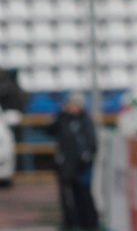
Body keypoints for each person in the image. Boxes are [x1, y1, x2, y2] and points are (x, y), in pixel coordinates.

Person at [46, 92, 99, 231]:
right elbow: (49, 130)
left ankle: (89, 223)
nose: (72, 107)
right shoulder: (63, 120)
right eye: (70, 104)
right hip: (65, 165)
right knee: (66, 198)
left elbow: (92, 144)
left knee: (83, 195)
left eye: (74, 104)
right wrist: (60, 115)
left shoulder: (85, 121)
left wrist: (84, 161)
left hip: (81, 167)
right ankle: (70, 223)